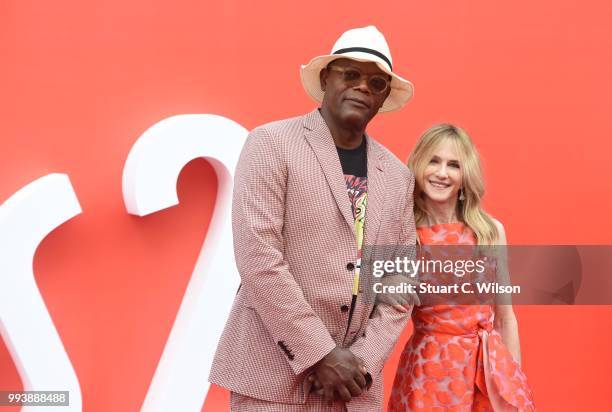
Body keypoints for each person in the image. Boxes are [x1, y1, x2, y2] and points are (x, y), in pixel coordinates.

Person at [209, 26, 418, 411]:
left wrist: (364, 363)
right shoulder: (271, 143)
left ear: (384, 96)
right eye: (350, 74)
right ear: (326, 78)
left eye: (375, 82)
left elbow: (399, 280)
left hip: (355, 388)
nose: (362, 87)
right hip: (272, 378)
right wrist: (320, 353)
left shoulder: (398, 175)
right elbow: (259, 258)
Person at [388, 124, 535, 411]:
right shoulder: (405, 233)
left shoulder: (490, 231)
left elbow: (506, 318)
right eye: (434, 161)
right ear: (418, 165)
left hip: (486, 369)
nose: (442, 173)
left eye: (453, 165)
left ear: (464, 175)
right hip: (428, 372)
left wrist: (514, 382)